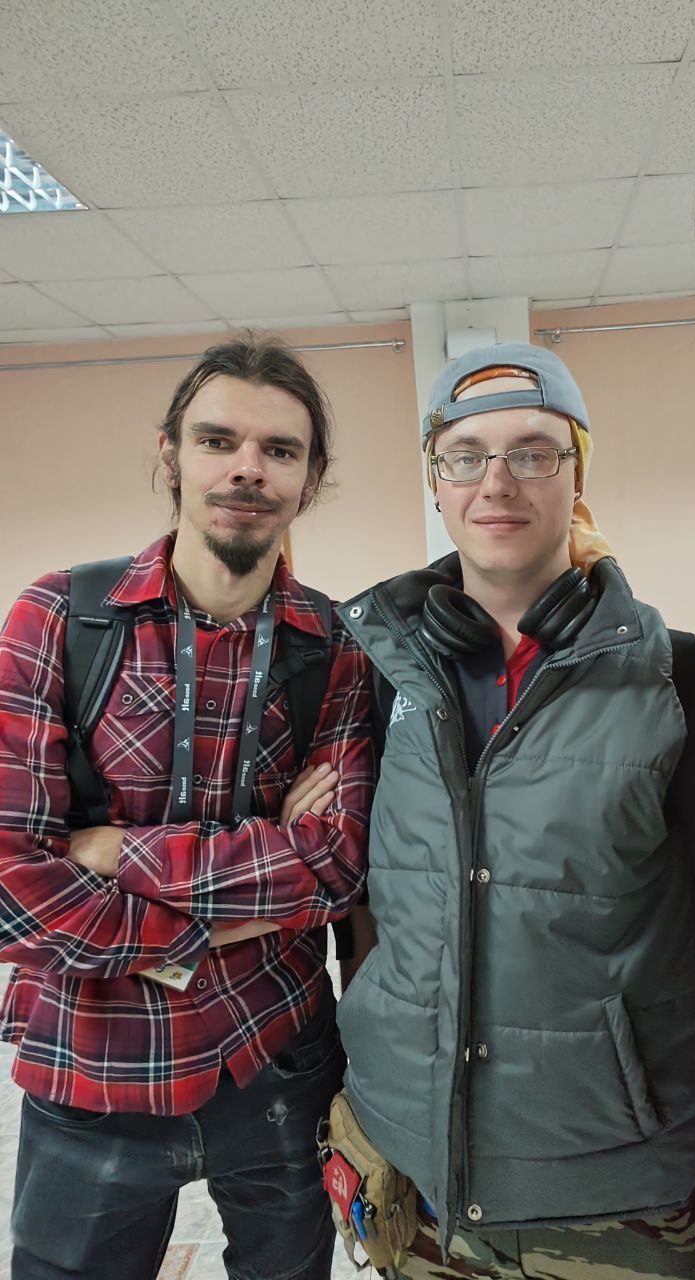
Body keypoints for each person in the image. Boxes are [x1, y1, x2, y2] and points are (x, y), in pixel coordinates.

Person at [334, 341, 695, 1280]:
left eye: (533, 451)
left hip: (619, 1196)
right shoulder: (380, 675)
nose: (497, 481)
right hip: (419, 1184)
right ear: (436, 484)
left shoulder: (675, 677)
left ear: (577, 474)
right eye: (465, 456)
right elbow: (365, 906)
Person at [0, 335, 374, 1280]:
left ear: (310, 478)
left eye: (280, 450)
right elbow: (12, 882)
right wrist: (235, 902)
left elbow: (336, 865)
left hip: (277, 1058)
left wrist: (112, 851)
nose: (248, 468)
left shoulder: (336, 646)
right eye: (218, 441)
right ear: (171, 455)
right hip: (91, 1067)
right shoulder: (59, 618)